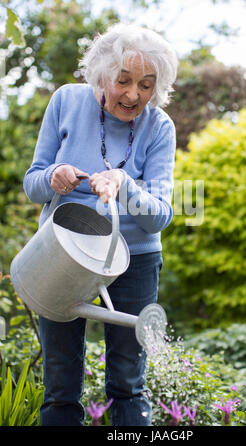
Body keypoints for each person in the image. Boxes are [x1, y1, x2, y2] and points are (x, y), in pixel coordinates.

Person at [23, 23, 178, 426]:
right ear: (102, 74)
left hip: (135, 260)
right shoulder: (66, 101)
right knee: (60, 386)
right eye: (123, 81)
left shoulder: (159, 127)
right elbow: (33, 184)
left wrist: (125, 185)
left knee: (128, 382)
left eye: (146, 85)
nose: (133, 94)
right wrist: (53, 174)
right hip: (63, 253)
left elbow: (161, 214)